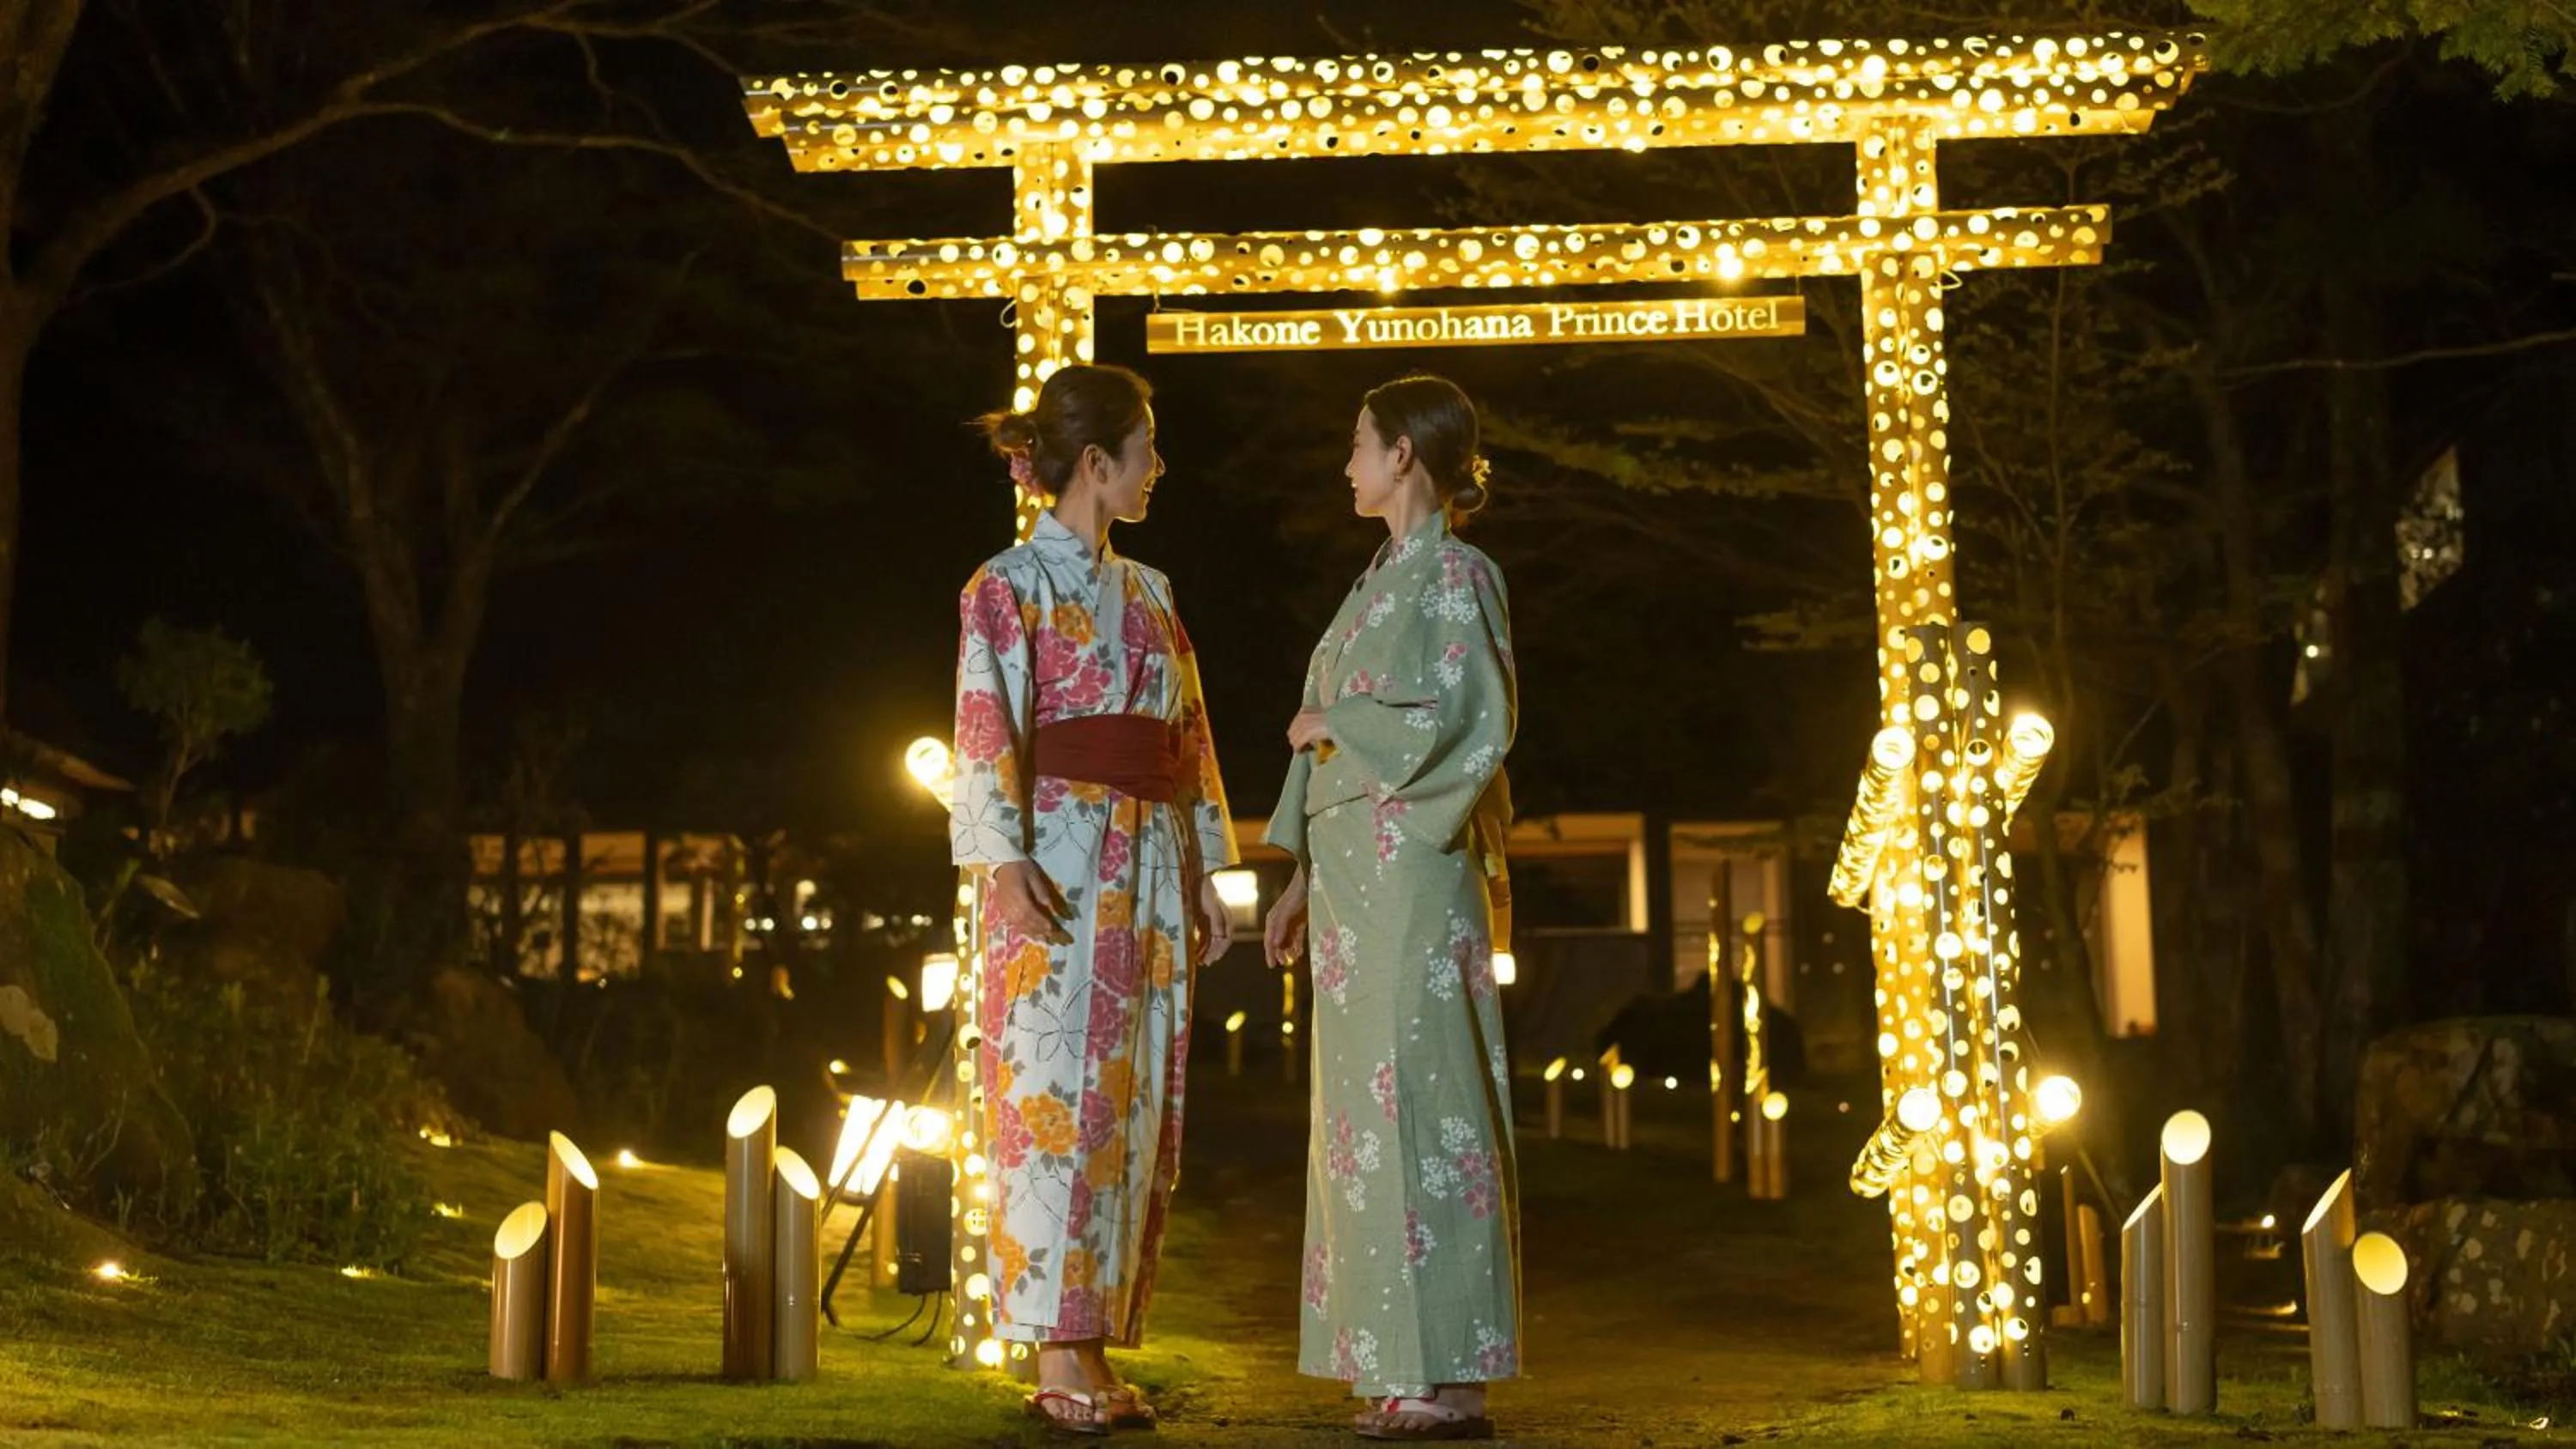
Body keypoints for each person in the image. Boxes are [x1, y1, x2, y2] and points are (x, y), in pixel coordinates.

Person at [951, 363, 1237, 1435]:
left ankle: (1097, 1340)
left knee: (1135, 1093)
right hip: (1060, 859)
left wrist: (1208, 868)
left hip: (1152, 859)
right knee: (1051, 1088)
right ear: (1095, 461)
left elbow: (1188, 737)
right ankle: (1056, 1349)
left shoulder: (1152, 591)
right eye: (1146, 448)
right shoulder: (1006, 584)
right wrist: (1000, 859)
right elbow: (986, 724)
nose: (1159, 466)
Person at [1262, 374, 1521, 1442]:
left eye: (1360, 443)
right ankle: (1395, 1358)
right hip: (1350, 869)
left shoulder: (1459, 572)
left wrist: (1341, 721)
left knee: (1425, 1094)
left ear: (1404, 452)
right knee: (1361, 1118)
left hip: (1411, 857)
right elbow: (1322, 730)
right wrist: (1296, 874)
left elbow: (1476, 714)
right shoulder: (1373, 582)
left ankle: (1446, 1373)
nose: (1349, 463)